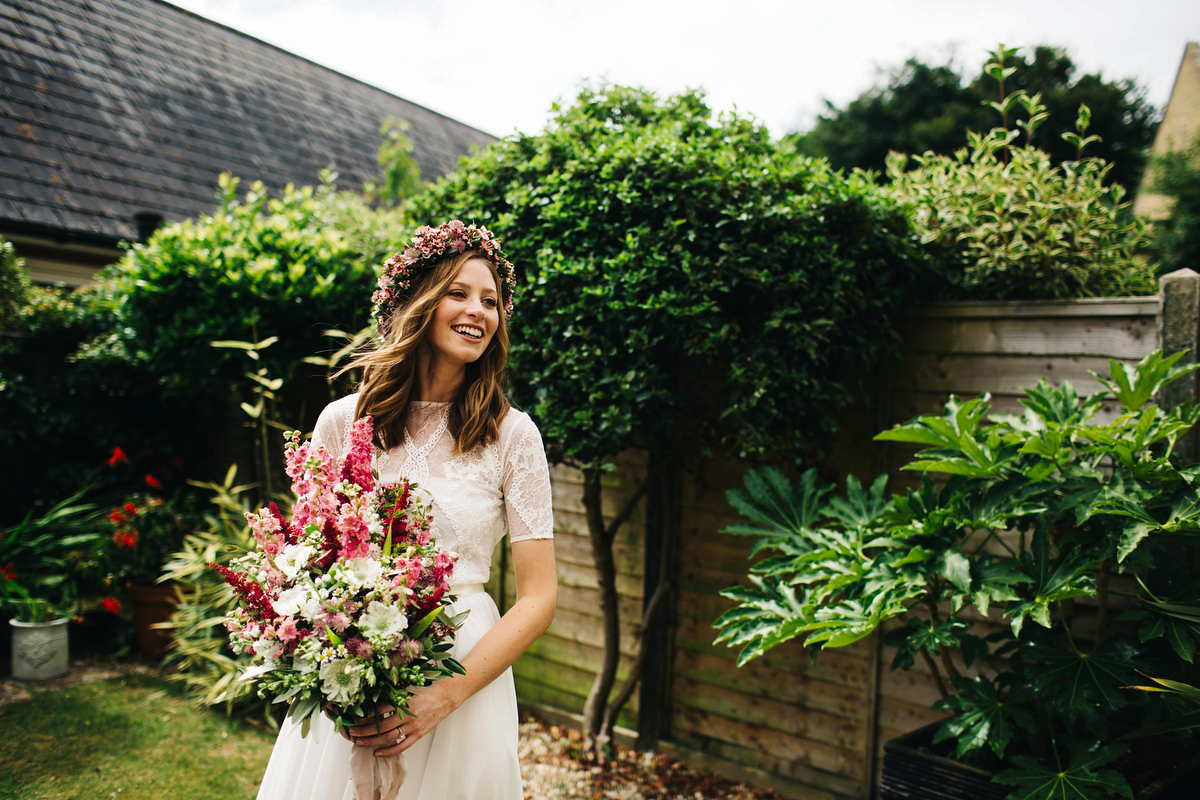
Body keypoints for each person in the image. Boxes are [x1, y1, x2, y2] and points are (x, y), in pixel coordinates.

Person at [255, 220, 557, 800]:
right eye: (459, 292)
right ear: (417, 301)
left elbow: (539, 596)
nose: (479, 312)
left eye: (491, 301)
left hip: (461, 668)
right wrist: (330, 665)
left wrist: (443, 695)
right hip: (356, 660)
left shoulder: (513, 435)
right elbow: (306, 569)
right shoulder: (343, 423)